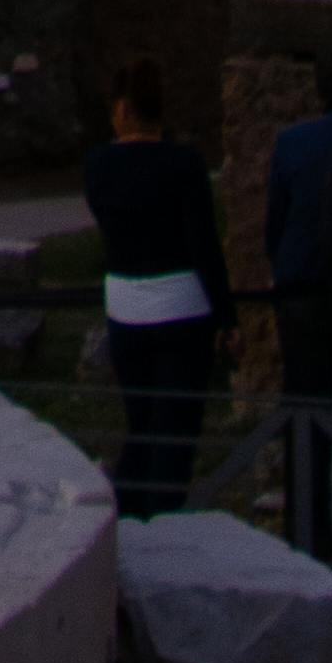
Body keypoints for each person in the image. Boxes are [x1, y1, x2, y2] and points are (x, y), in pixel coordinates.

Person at [79, 59, 230, 519]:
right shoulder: (184, 164)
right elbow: (204, 244)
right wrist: (227, 316)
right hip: (182, 305)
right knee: (174, 433)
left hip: (126, 306)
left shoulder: (98, 166)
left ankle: (128, 519)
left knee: (142, 424)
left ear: (123, 110)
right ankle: (162, 524)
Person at [262, 48, 332, 557]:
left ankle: (305, 535)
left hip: (302, 294)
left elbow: (274, 229)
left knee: (305, 411)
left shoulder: (295, 144)